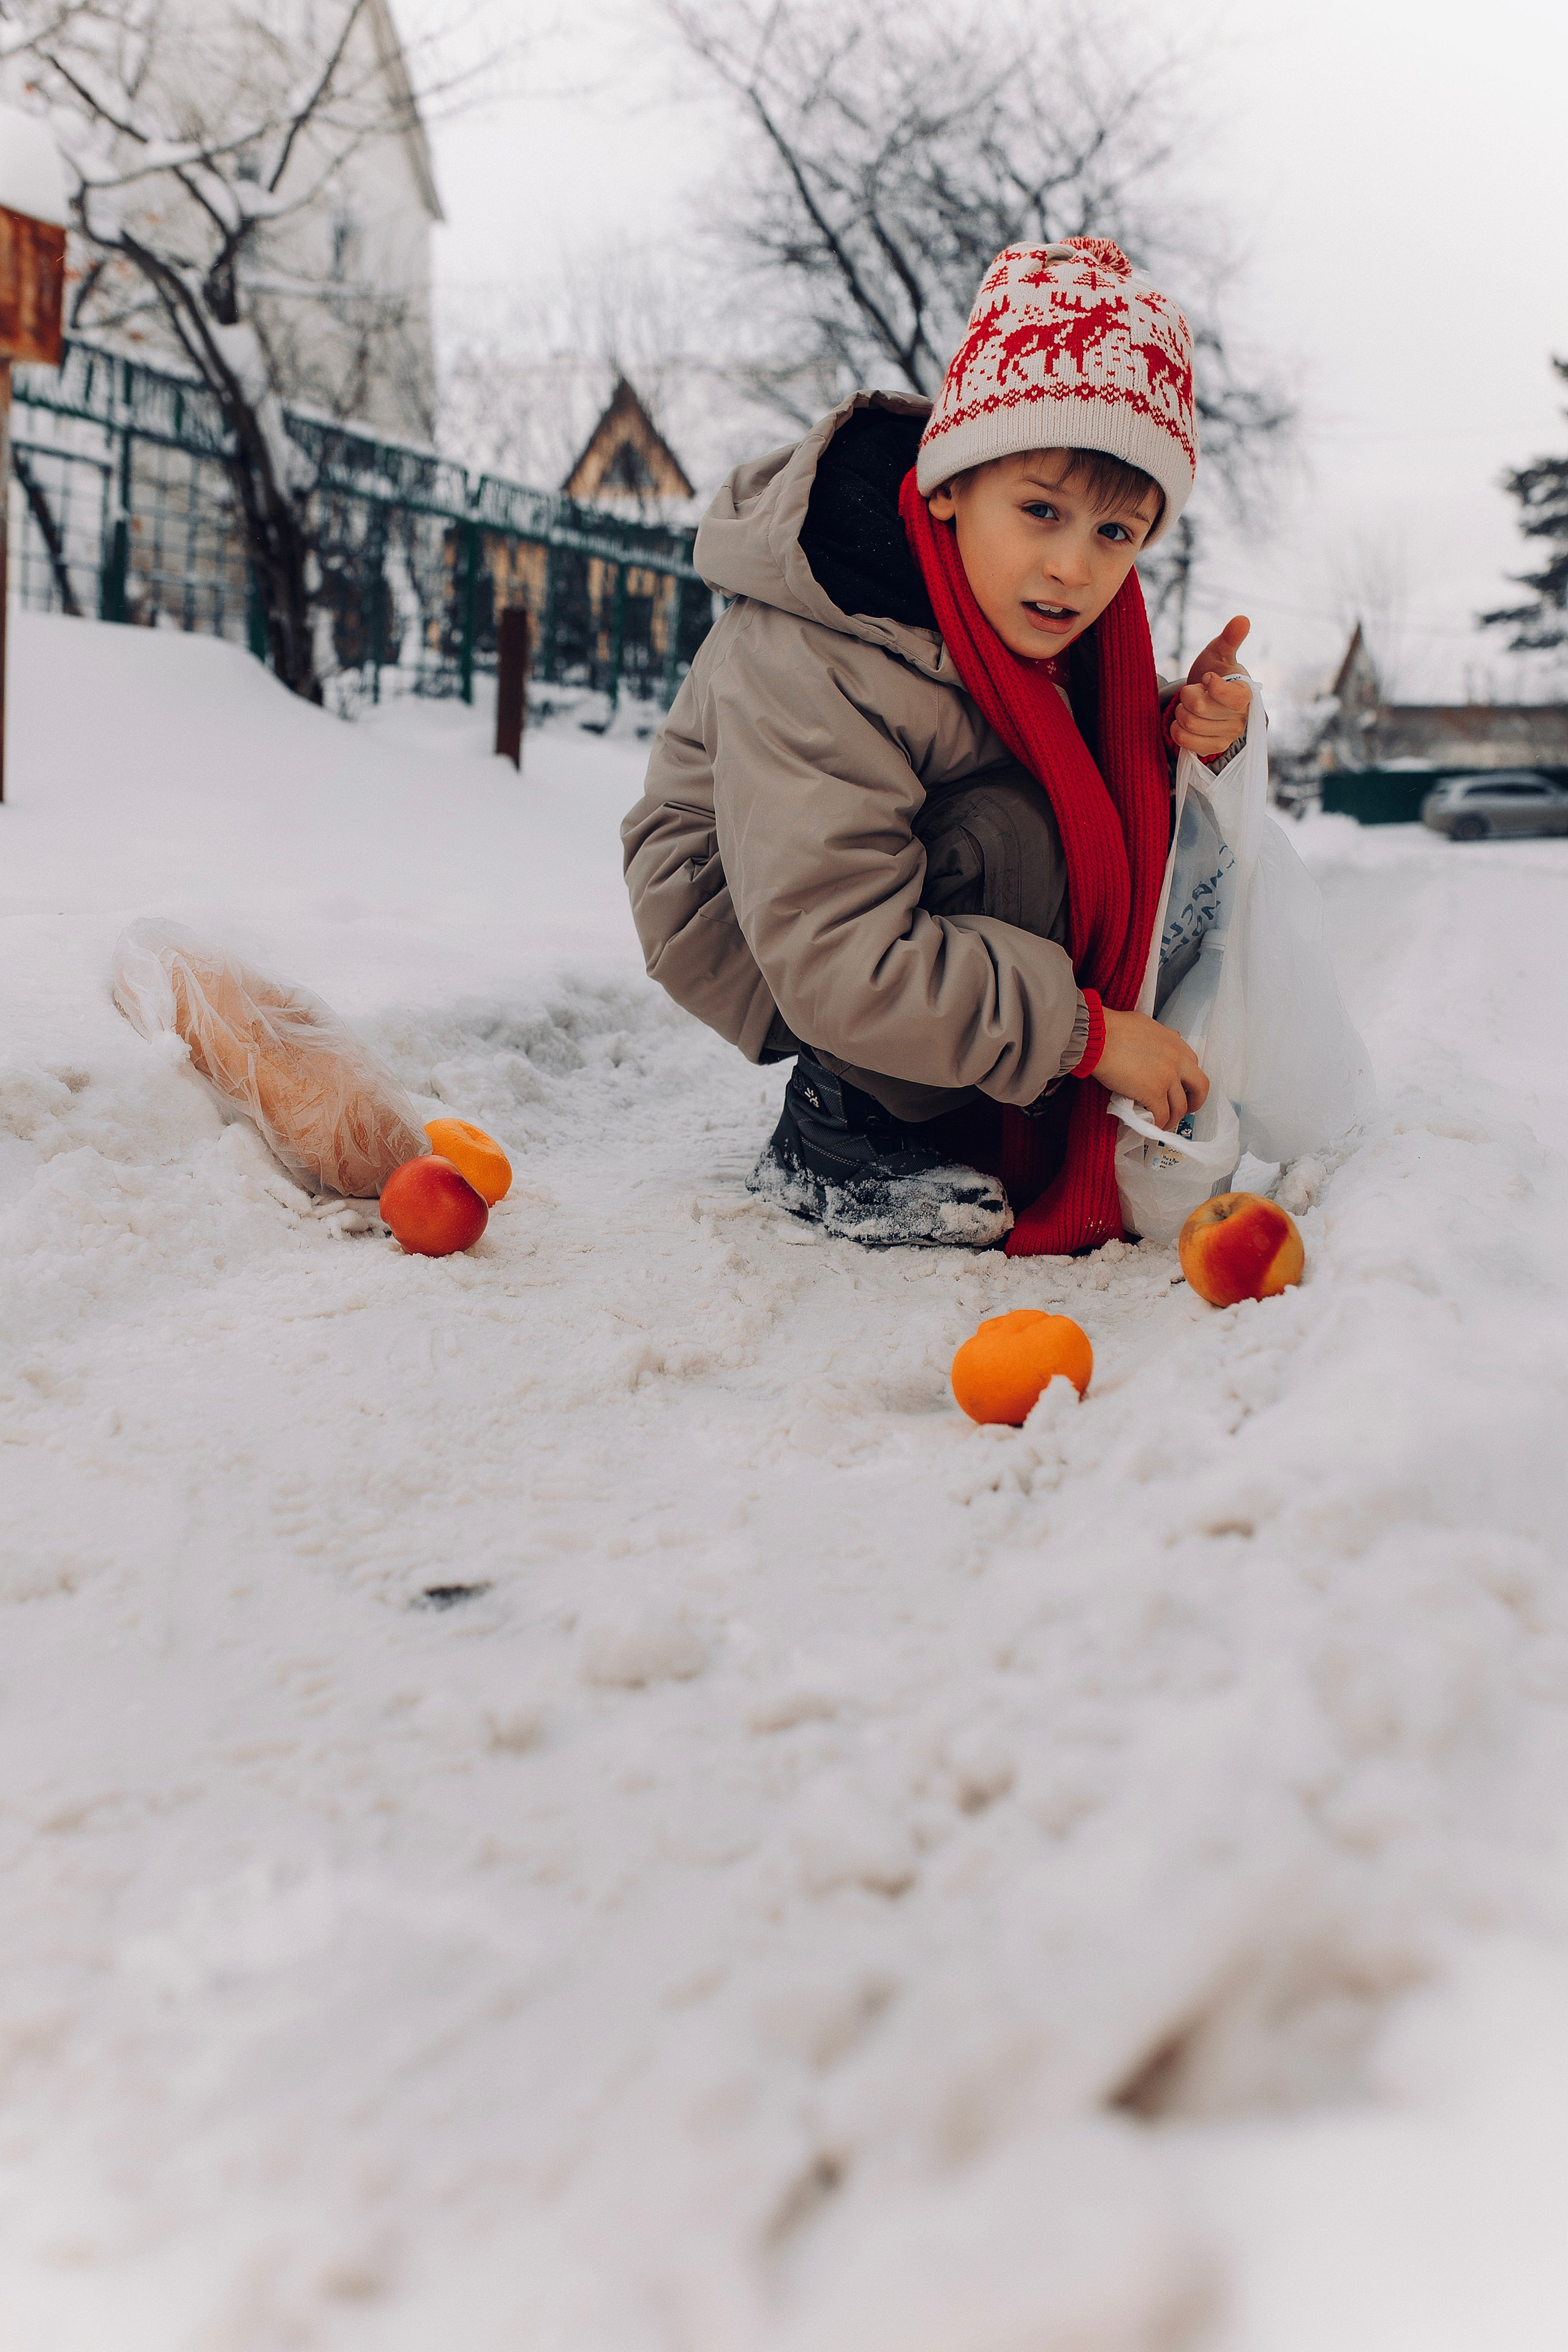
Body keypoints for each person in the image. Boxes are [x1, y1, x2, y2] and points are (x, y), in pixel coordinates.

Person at [622, 238, 1252, 1254]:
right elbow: (836, 946)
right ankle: (845, 1124)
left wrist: (1183, 731)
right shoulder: (818, 645)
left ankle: (970, 1089)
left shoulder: (1019, 612)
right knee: (1022, 829)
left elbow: (1067, 749)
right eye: (1041, 511)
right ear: (951, 484)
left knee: (1089, 799)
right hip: (759, 915)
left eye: (1116, 533)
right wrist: (1086, 1037)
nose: (1074, 567)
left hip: (846, 899)